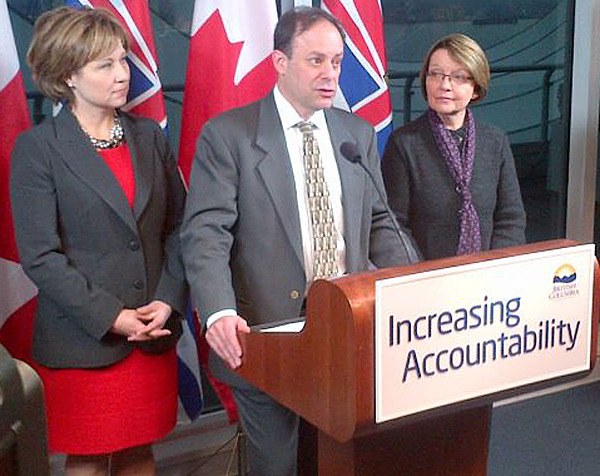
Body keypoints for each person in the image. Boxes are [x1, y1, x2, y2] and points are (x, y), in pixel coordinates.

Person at [181, 6, 419, 475]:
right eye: (315, 61)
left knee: (342, 458)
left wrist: (412, 282)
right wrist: (219, 311)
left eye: (337, 62)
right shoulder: (229, 136)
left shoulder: (356, 133)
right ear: (279, 63)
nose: (330, 74)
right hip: (267, 339)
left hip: (347, 333)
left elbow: (380, 222)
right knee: (278, 466)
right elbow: (205, 233)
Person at [10, 7, 187, 475]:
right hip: (84, 339)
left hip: (152, 332)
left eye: (123, 60)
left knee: (139, 452)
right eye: (105, 65)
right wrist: (113, 318)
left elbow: (179, 230)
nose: (122, 75)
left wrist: (167, 301)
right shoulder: (38, 149)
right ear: (68, 74)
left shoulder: (149, 136)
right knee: (87, 458)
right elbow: (41, 257)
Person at [381, 33, 526, 260]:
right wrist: (421, 273)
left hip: (488, 277)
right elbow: (394, 225)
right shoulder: (404, 143)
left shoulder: (495, 141)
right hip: (424, 277)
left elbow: (511, 217)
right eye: (436, 74)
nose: (444, 85)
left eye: (458, 77)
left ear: (476, 88)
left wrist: (497, 266)